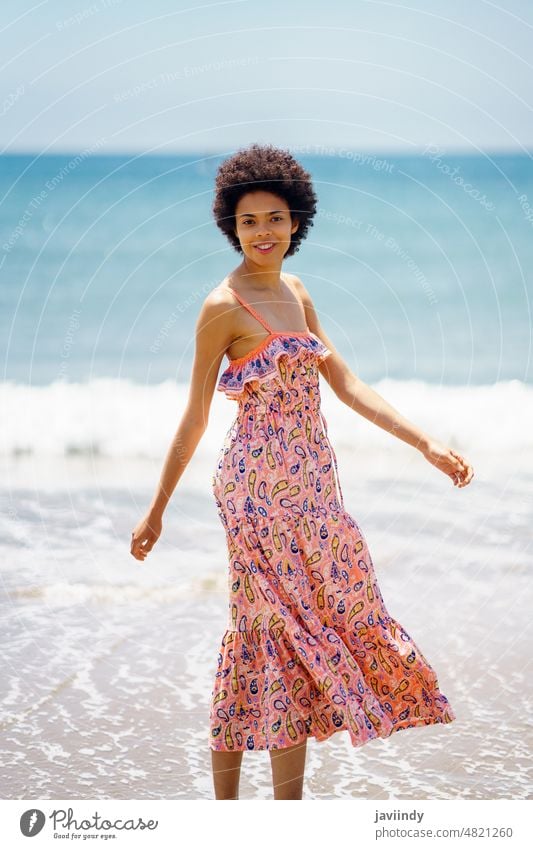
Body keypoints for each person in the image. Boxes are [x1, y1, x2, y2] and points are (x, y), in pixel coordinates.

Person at [131, 142, 474, 801]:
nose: (264, 232)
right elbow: (195, 417)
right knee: (272, 637)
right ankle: (262, 814)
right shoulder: (221, 307)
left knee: (324, 619)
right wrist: (156, 510)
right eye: (249, 221)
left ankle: (254, 813)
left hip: (315, 491)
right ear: (231, 226)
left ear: (297, 222)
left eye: (276, 218)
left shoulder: (295, 290)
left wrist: (426, 443)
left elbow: (346, 384)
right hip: (256, 495)